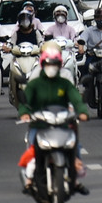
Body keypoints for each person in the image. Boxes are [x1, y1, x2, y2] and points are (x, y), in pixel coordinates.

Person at [18, 45, 90, 195]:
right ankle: (30, 179)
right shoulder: (35, 83)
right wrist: (25, 112)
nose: (51, 67)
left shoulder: (64, 83)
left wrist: (82, 111)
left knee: (74, 146)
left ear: (59, 65)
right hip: (39, 124)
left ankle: (74, 178)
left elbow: (76, 98)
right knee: (33, 149)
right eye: (48, 64)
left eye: (54, 64)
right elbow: (26, 101)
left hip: (61, 124)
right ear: (43, 64)